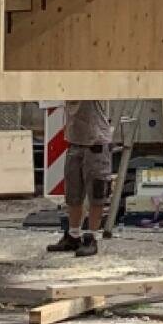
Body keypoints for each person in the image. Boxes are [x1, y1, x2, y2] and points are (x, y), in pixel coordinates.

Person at [46, 101, 112, 258]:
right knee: (73, 194)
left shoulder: (89, 83)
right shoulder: (69, 86)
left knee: (97, 193)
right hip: (75, 142)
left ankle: (92, 237)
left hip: (96, 143)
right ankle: (73, 235)